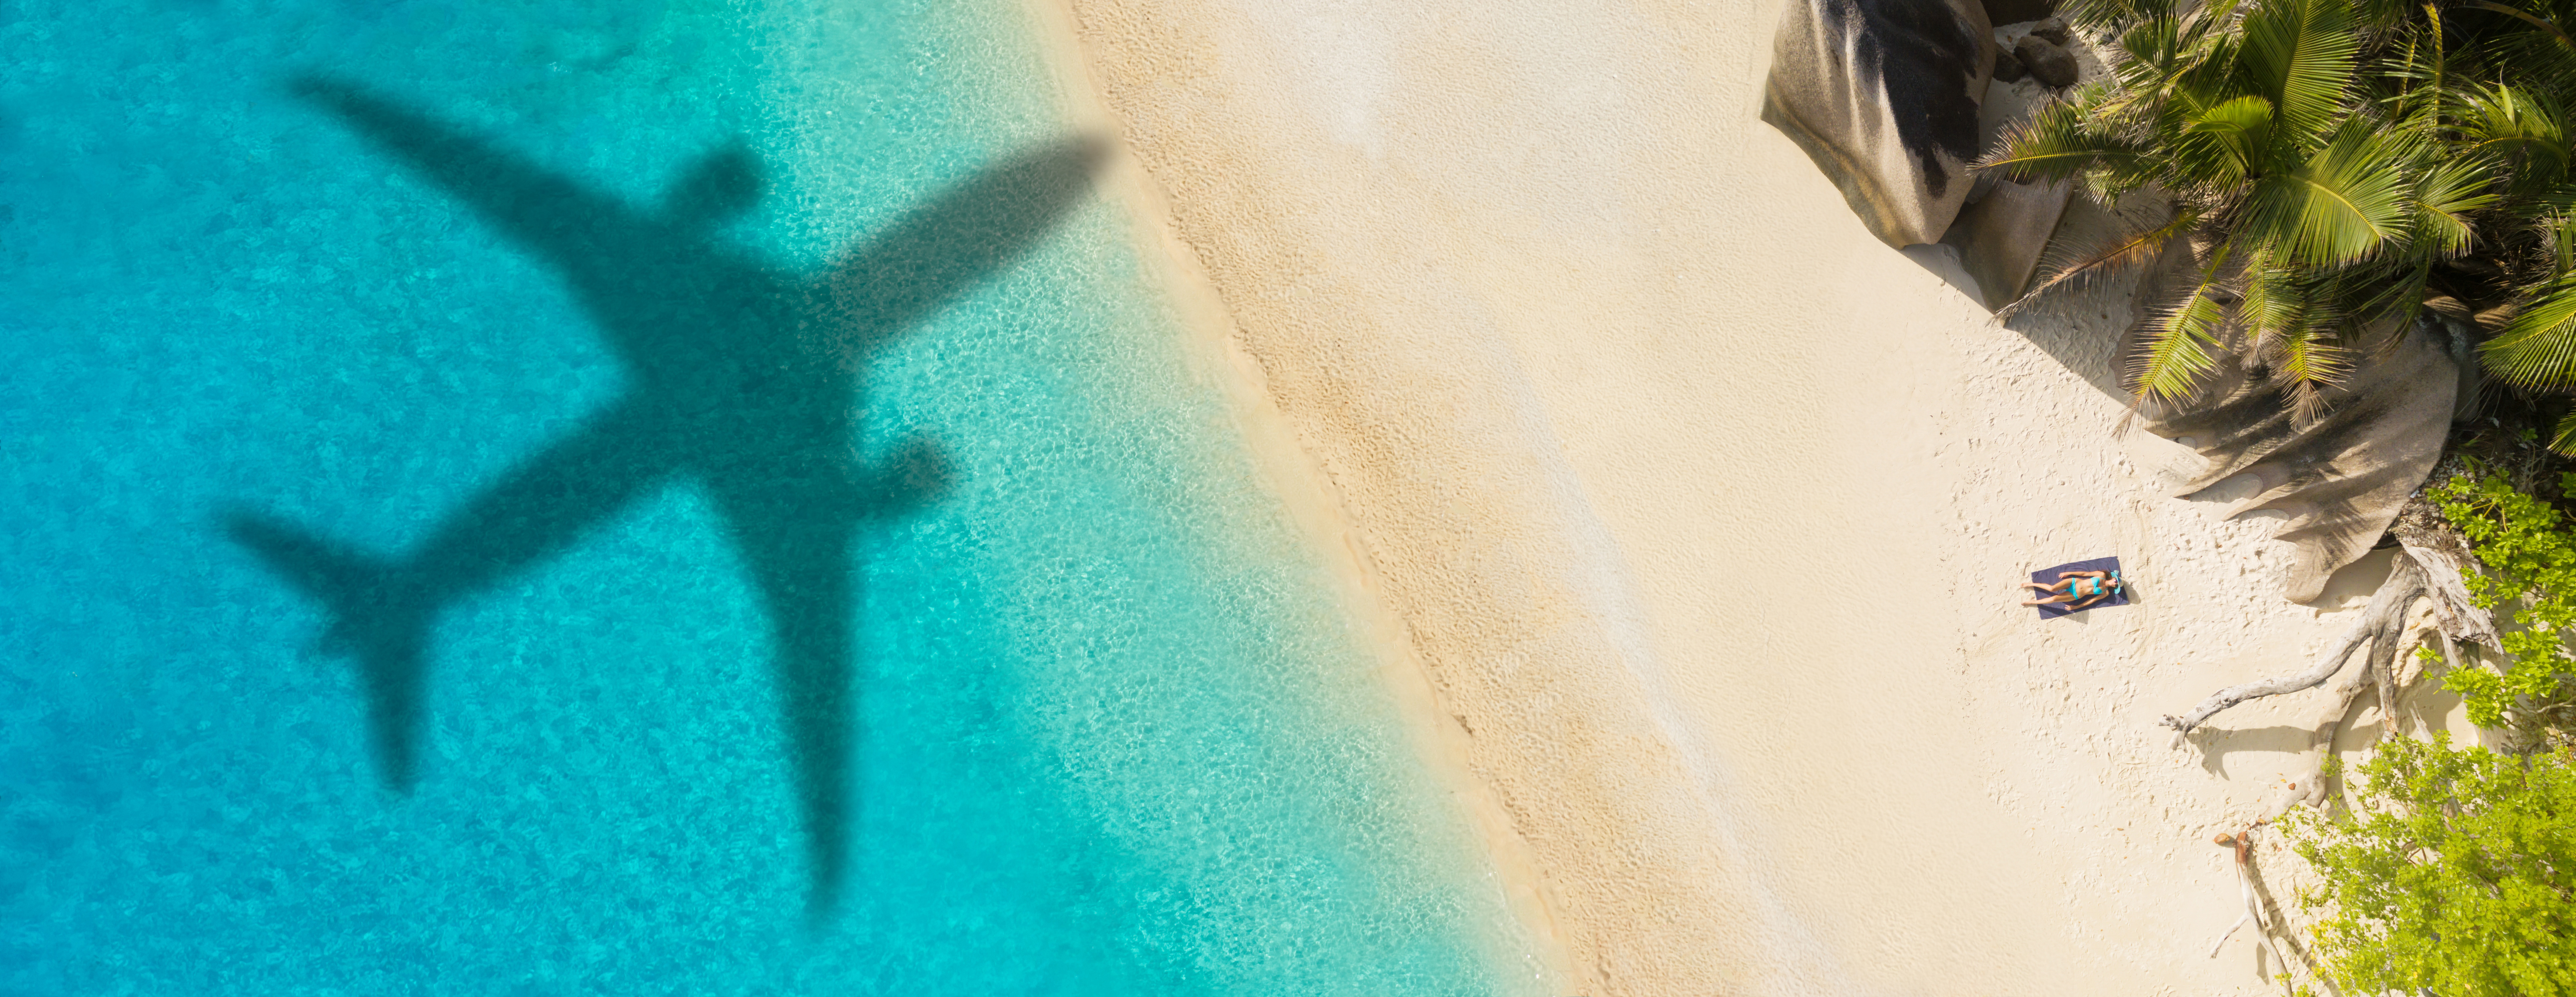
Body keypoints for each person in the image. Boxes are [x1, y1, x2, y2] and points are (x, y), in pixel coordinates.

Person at [2022, 568, 2122, 610]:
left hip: (2076, 595)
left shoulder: (2106, 593)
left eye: (2116, 585)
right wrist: (2069, 573)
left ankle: (2032, 603)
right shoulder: (2102, 575)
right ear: (2114, 578)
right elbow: (2085, 574)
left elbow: (2092, 601)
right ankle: (2032, 584)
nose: (2115, 583)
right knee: (2052, 589)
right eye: (2116, 581)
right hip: (2075, 582)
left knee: (2053, 599)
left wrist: (2077, 607)